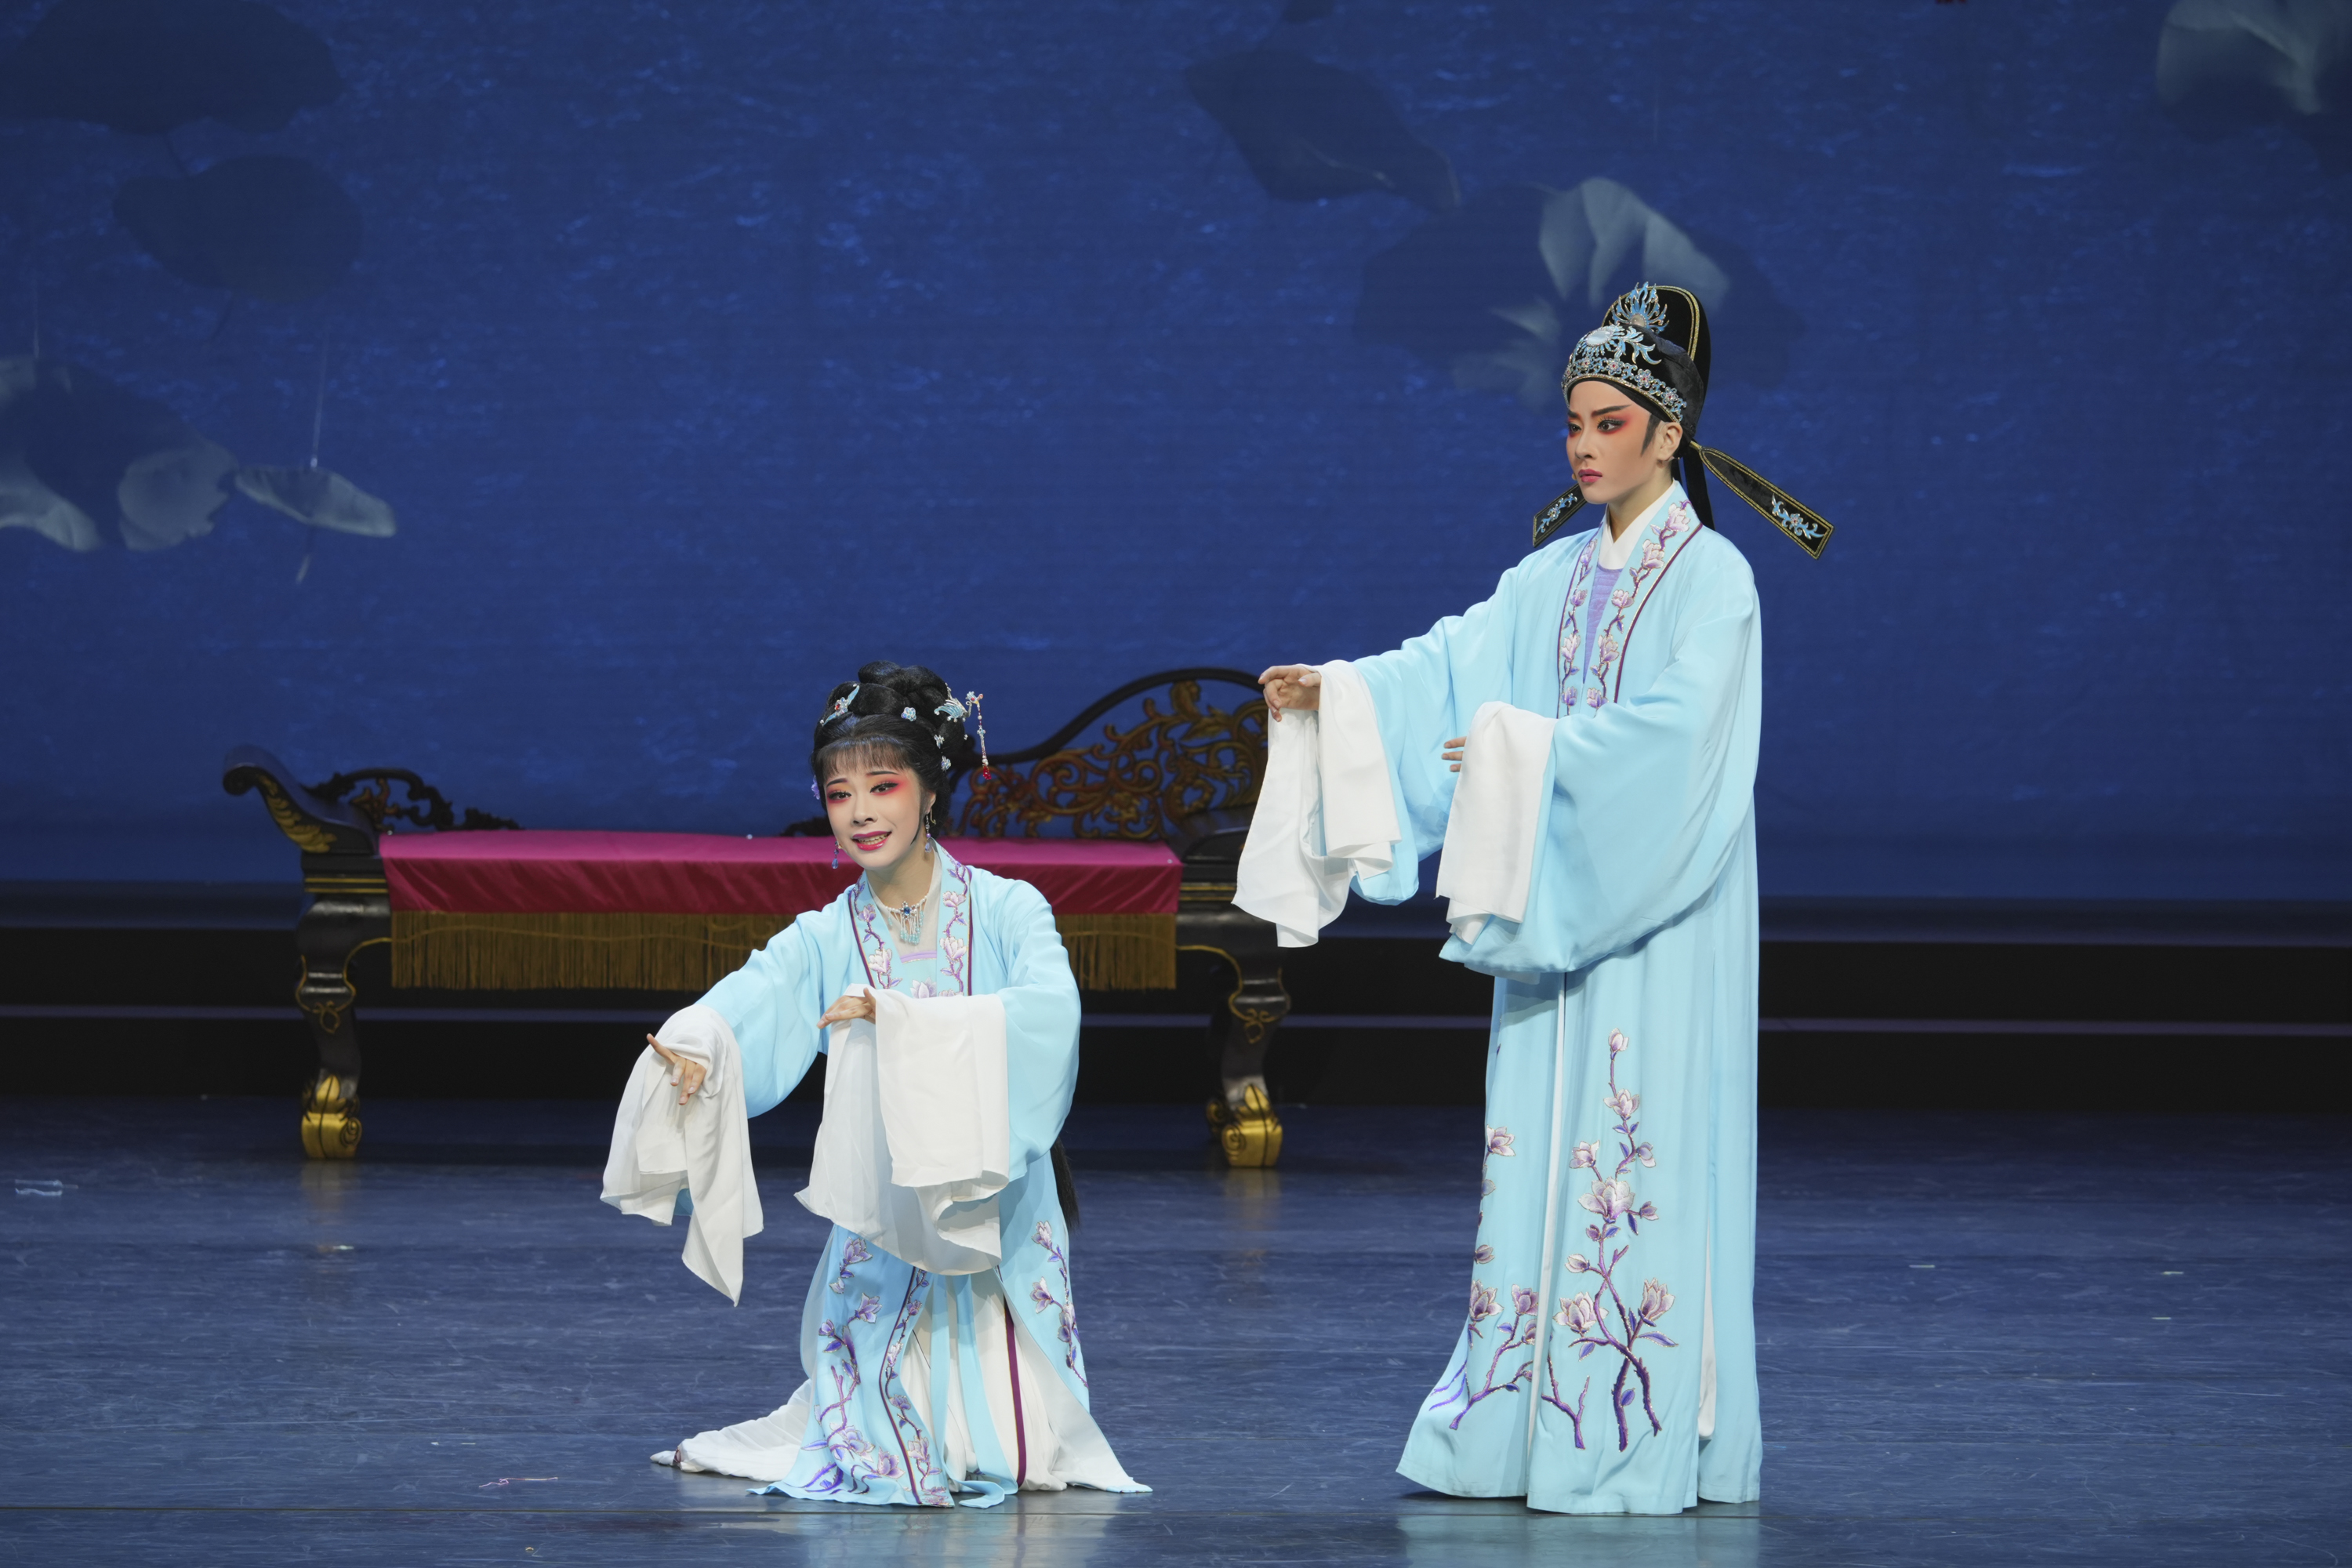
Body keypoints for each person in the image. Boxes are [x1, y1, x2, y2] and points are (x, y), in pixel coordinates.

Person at [1238, 285, 1832, 1515]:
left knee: (1636, 1153)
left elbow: (1681, 742)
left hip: (1661, 916)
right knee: (1536, 1158)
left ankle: (1627, 1425)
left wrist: (1529, 753)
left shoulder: (1714, 580)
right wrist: (1340, 694)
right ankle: (1515, 1424)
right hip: (1547, 905)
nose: (1583, 446)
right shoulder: (1552, 575)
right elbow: (1450, 663)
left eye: (1610, 423)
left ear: (1669, 432)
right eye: (1572, 423)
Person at [602, 660, 1145, 1508]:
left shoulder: (1009, 908)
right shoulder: (829, 933)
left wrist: (899, 1020)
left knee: (1019, 1456)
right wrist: (697, 1045)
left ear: (929, 792)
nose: (859, 811)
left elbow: (1049, 1010)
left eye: (882, 786)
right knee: (875, 1415)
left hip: (997, 1191)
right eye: (839, 793)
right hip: (887, 1198)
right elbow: (754, 995)